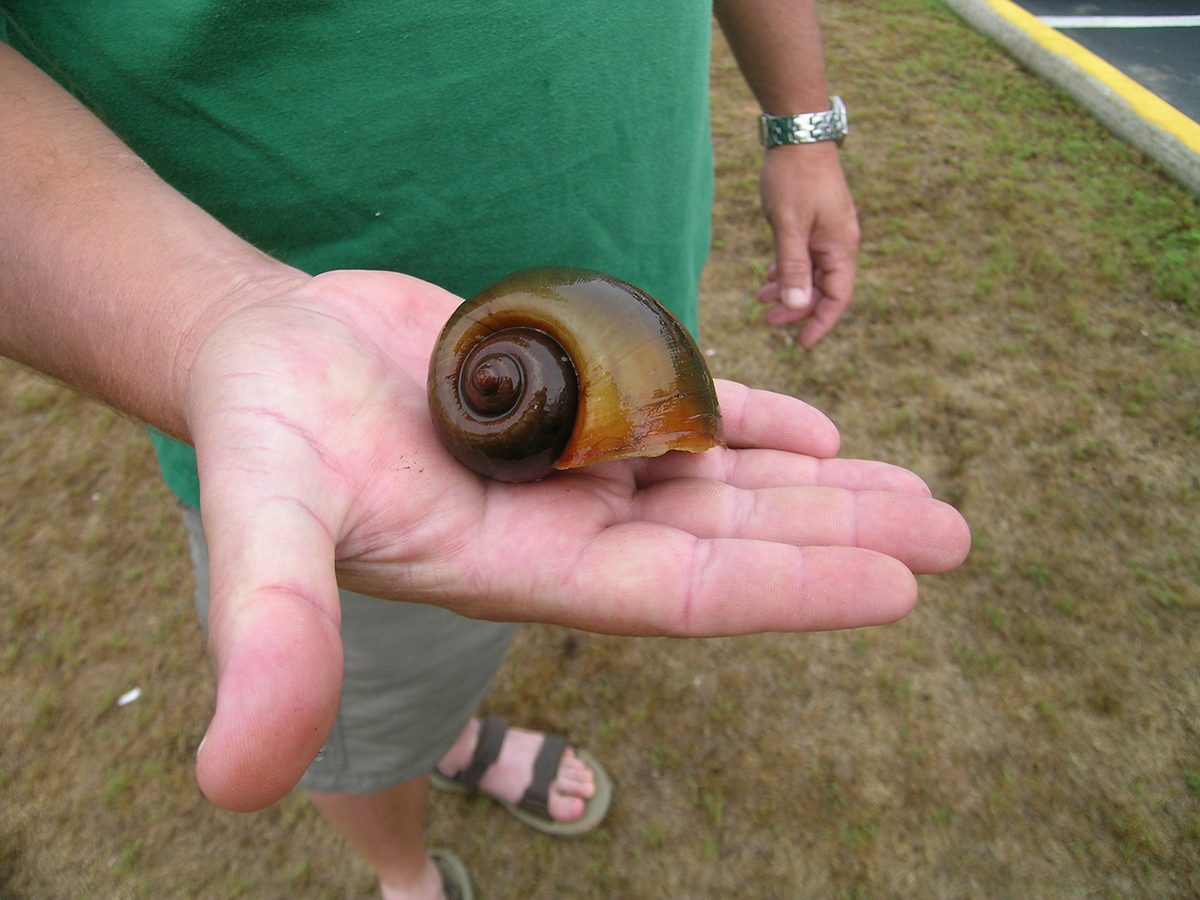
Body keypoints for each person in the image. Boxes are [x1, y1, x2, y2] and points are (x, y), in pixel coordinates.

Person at [0, 4, 968, 898]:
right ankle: (404, 871)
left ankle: (448, 735)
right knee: (364, 706)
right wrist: (210, 321)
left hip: (611, 296)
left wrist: (802, 125)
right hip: (344, 432)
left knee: (463, 645)